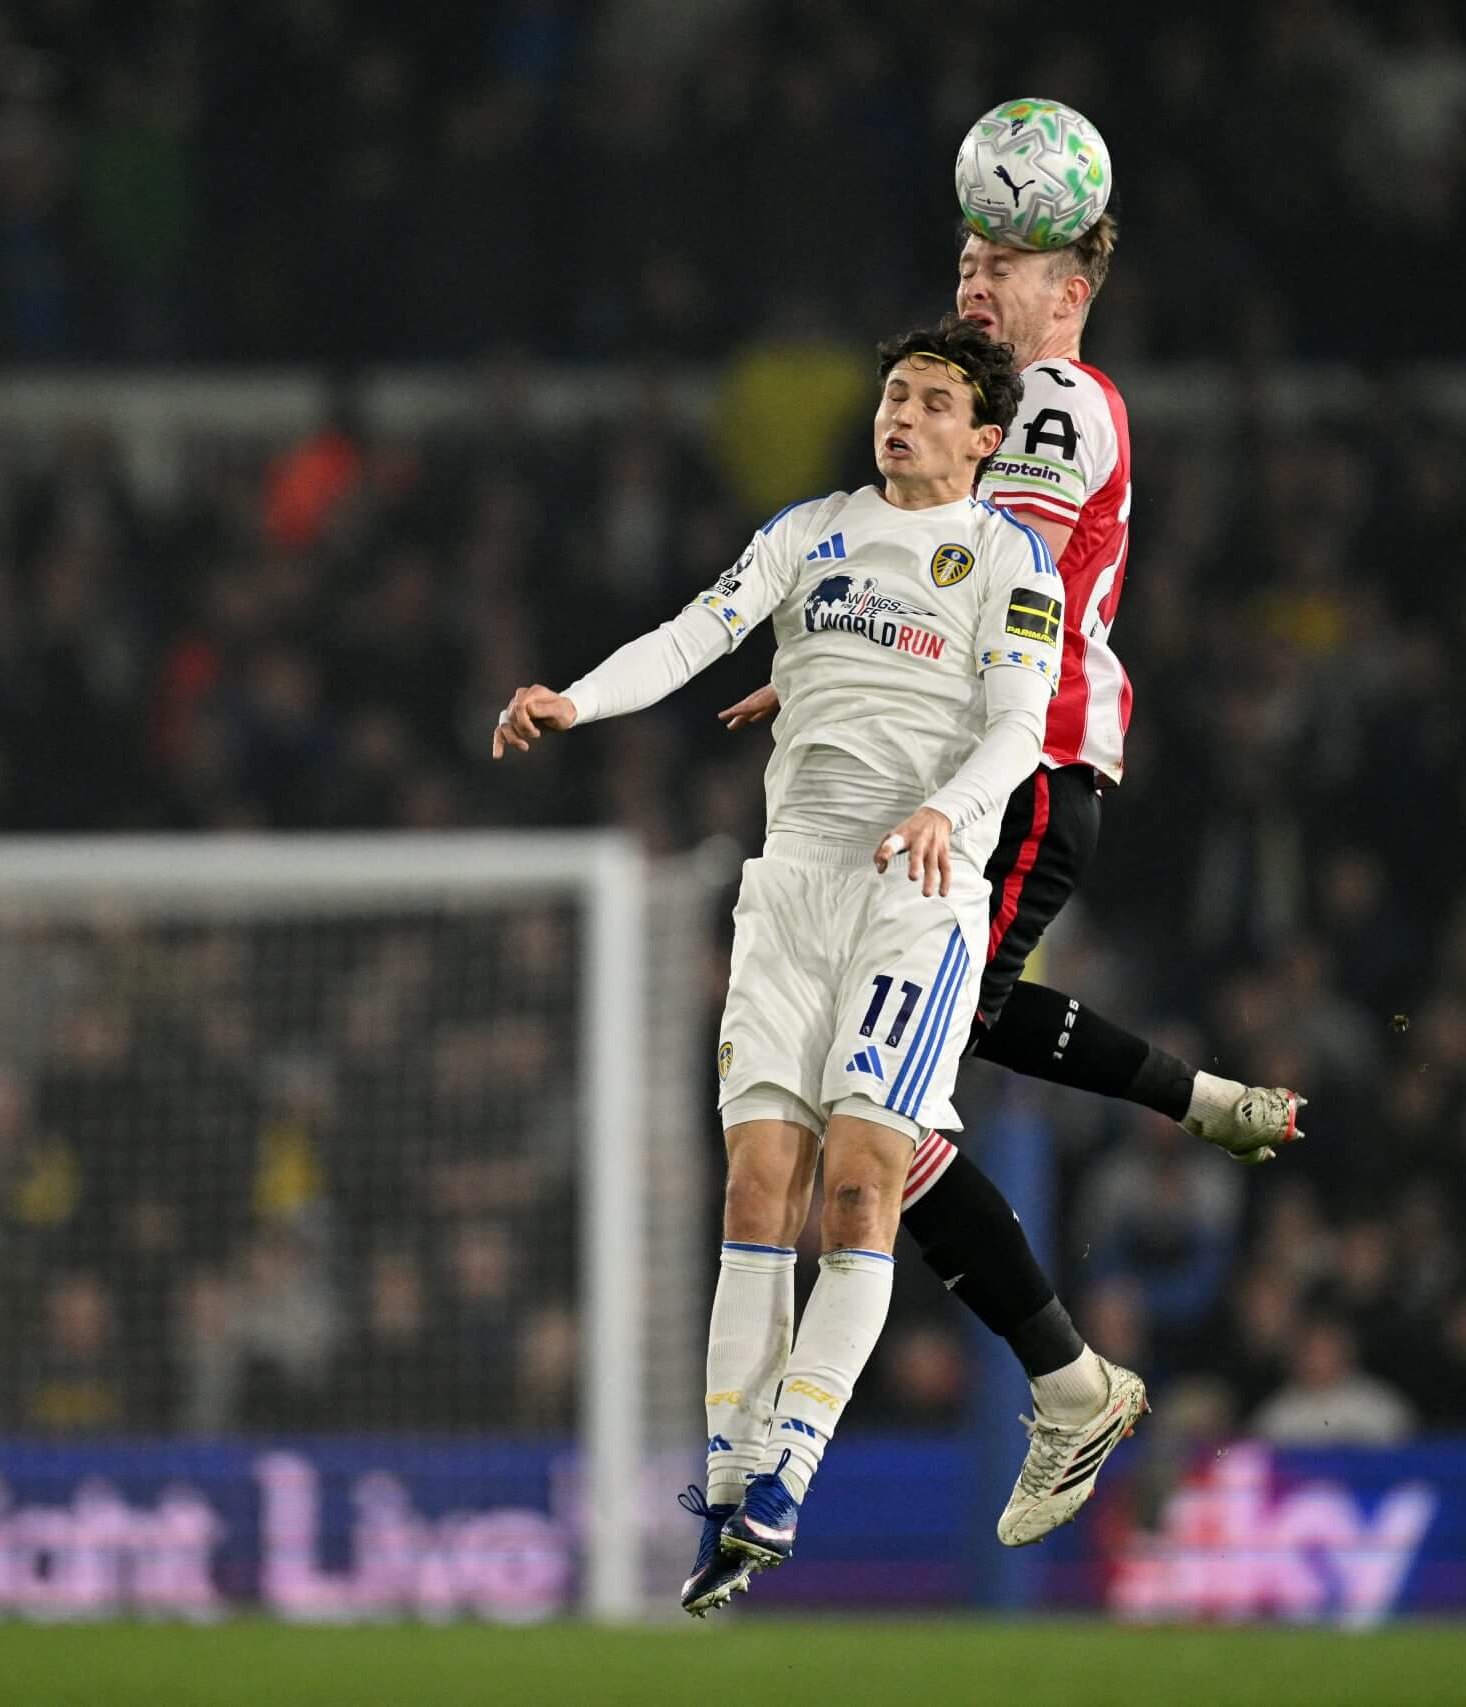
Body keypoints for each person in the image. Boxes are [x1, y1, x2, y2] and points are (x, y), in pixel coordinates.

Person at [719, 209, 1305, 1544]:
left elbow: (986, 575)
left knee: (890, 1103)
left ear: (1073, 288)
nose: (975, 282)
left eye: (1007, 265)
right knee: (895, 1100)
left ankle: (1074, 1376)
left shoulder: (1054, 404)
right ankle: (1099, 1318)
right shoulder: (1013, 406)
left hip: (1022, 769)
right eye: (968, 263)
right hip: (972, 776)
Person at [494, 317, 1066, 1615]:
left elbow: (1019, 726)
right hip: (788, 889)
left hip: (914, 894)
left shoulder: (1007, 558)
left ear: (985, 438)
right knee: (758, 1187)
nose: (902, 414)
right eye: (895, 394)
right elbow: (693, 636)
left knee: (861, 1189)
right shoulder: (809, 532)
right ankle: (726, 1484)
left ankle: (788, 1470)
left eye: (932, 401)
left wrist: (948, 813)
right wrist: (577, 699)